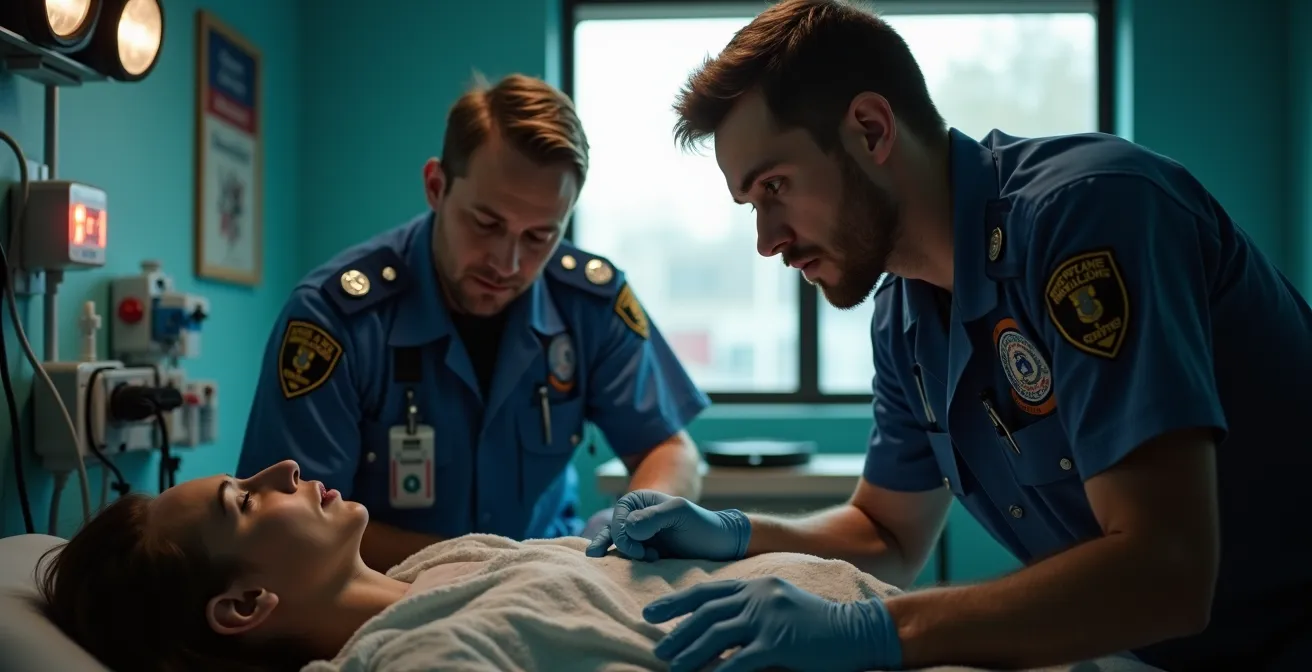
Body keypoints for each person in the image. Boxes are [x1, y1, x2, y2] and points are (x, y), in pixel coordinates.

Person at [586, 1, 1312, 671]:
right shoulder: (903, 317)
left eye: (774, 186)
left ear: (871, 129)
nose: (767, 240)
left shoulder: (1088, 215)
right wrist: (735, 532)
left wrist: (875, 629)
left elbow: (1166, 573)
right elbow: (886, 533)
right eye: (750, 204)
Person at [238, 73, 707, 573]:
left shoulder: (590, 301)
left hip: (552, 583)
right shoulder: (336, 319)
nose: (507, 263)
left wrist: (629, 525)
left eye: (539, 237)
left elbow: (670, 449)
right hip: (389, 594)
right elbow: (289, 524)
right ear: (436, 186)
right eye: (486, 224)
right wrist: (487, 569)